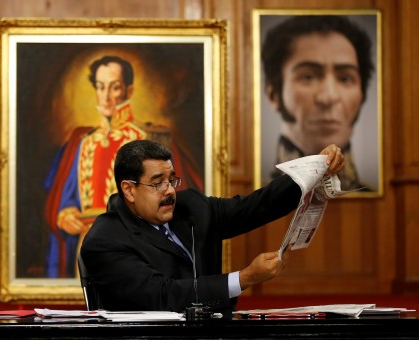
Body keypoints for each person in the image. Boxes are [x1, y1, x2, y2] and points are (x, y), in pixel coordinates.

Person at [80, 139, 345, 312]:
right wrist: (244, 279)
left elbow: (253, 208)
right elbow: (164, 295)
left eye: (172, 180)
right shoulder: (105, 240)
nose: (170, 191)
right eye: (158, 182)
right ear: (129, 189)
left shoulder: (192, 208)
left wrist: (312, 169)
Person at [43, 55, 202, 278]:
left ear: (128, 90)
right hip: (89, 244)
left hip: (139, 245)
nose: (106, 96)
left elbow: (174, 198)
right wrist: (65, 213)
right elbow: (66, 194)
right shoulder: (82, 141)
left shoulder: (152, 138)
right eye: (100, 87)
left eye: (114, 87)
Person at [261, 15, 374, 191]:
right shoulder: (254, 202)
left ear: (362, 94)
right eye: (308, 76)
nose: (329, 97)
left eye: (345, 78)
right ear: (273, 94)